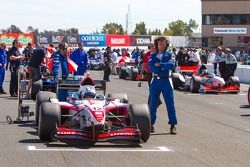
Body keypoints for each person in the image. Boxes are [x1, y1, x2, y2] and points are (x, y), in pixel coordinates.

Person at [148, 36, 177, 134]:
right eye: (159, 44)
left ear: (166, 45)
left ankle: (173, 125)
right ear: (157, 45)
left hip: (166, 81)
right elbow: (152, 68)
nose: (161, 46)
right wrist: (163, 66)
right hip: (155, 81)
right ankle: (151, 124)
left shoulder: (170, 55)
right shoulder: (152, 56)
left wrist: (160, 64)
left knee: (170, 104)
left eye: (163, 44)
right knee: (152, 104)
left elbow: (171, 65)